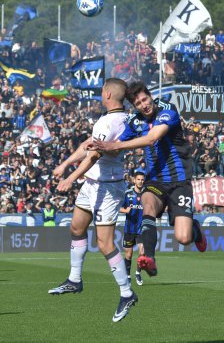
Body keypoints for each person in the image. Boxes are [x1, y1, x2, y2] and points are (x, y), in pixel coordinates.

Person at [91, 81, 207, 278]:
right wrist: (93, 148)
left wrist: (114, 146)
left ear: (150, 96)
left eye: (145, 99)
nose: (143, 105)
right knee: (148, 206)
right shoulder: (135, 121)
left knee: (183, 237)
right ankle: (149, 259)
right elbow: (115, 142)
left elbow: (152, 138)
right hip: (155, 180)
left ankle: (195, 229)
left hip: (179, 181)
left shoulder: (167, 109)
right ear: (134, 106)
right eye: (138, 103)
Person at [48, 78, 137, 323]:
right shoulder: (121, 119)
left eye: (101, 92)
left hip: (107, 187)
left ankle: (126, 292)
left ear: (107, 94)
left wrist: (71, 178)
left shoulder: (109, 121)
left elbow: (94, 155)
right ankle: (74, 280)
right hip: (93, 184)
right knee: (76, 227)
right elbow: (87, 145)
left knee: (105, 243)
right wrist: (65, 163)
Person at [120, 171, 145, 286]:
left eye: (142, 180)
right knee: (129, 255)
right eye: (138, 179)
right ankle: (128, 276)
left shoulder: (146, 195)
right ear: (134, 180)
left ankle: (138, 273)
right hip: (129, 229)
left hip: (141, 229)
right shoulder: (128, 194)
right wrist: (125, 210)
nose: (140, 181)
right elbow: (118, 207)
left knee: (142, 252)